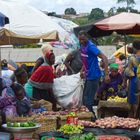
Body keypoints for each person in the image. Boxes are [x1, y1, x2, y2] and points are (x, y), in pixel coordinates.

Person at [78, 30, 109, 113]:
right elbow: (85, 61)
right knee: (85, 99)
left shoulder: (91, 47)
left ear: (87, 38)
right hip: (88, 75)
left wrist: (106, 74)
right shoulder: (82, 47)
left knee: (88, 100)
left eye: (83, 39)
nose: (82, 41)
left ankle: (92, 118)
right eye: (80, 40)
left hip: (94, 76)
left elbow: (104, 58)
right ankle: (91, 117)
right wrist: (82, 71)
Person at [124, 40, 140, 118]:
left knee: (133, 102)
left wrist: (124, 82)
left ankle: (133, 119)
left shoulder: (132, 58)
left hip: (135, 80)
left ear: (134, 47)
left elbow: (127, 71)